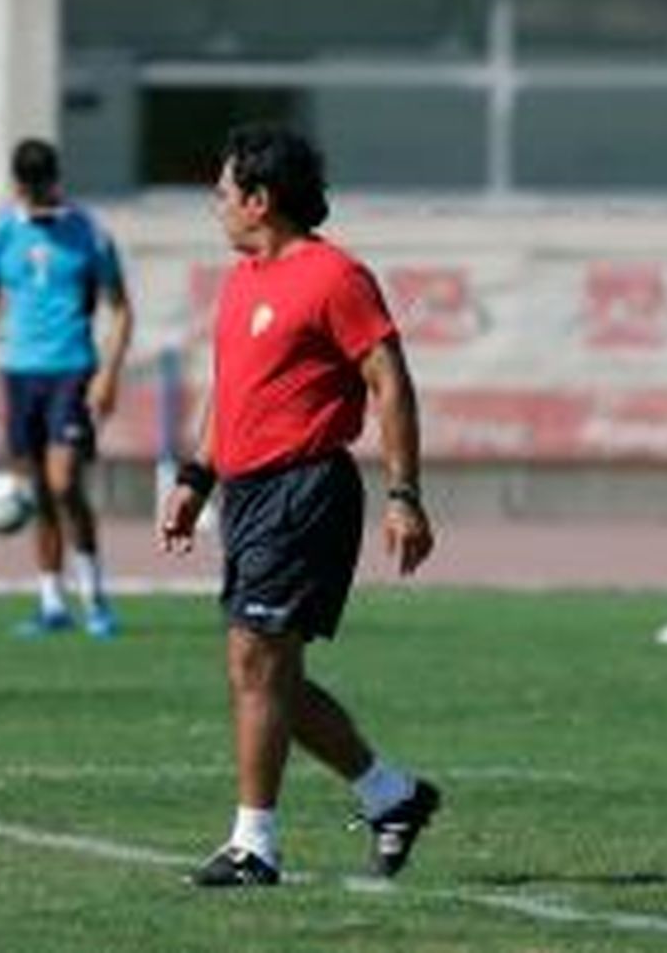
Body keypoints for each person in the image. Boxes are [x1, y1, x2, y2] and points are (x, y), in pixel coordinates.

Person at [159, 124, 439, 886]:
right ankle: (391, 794)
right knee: (263, 672)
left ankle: (255, 844)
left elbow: (390, 381)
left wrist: (405, 495)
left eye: (224, 191)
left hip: (304, 488)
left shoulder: (335, 276)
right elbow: (232, 390)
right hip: (246, 495)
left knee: (255, 659)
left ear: (260, 199)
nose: (216, 204)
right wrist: (196, 478)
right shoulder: (241, 280)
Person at [0, 138, 134, 638]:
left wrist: (109, 374)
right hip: (19, 373)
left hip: (72, 369)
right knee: (40, 491)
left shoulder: (89, 232)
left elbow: (121, 309)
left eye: (43, 187)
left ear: (55, 181)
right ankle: (51, 603)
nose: (36, 197)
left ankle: (95, 598)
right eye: (29, 189)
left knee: (65, 483)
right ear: (18, 186)